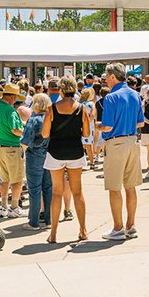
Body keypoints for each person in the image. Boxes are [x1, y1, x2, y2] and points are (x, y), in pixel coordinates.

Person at [97, 63, 144, 241]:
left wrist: (97, 125)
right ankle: (130, 225)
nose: (105, 81)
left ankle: (117, 227)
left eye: (107, 77)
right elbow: (140, 123)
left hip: (116, 143)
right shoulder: (134, 95)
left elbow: (107, 126)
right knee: (130, 187)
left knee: (114, 187)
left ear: (113, 77)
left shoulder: (111, 97)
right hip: (132, 140)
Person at [42, 77, 90, 243]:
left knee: (56, 193)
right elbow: (86, 134)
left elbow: (45, 134)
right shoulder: (82, 108)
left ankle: (53, 234)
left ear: (61, 90)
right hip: (75, 152)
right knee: (77, 192)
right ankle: (83, 230)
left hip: (56, 152)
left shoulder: (52, 108)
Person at [0, 83, 26, 219]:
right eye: (15, 97)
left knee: (5, 178)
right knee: (17, 179)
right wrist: (24, 129)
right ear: (11, 97)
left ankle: (4, 206)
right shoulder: (10, 110)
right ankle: (14, 207)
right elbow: (15, 130)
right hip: (12, 147)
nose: (15, 100)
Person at [20, 93, 52, 231]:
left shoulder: (34, 120)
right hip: (50, 155)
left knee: (34, 190)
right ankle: (48, 219)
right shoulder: (50, 118)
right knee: (48, 188)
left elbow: (25, 142)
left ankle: (34, 222)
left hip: (35, 156)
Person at [79, 87, 98, 169]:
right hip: (89, 126)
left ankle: (80, 164)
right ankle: (91, 163)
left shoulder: (78, 103)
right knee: (89, 145)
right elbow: (93, 114)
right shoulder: (91, 104)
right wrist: (88, 122)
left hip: (78, 126)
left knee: (80, 146)